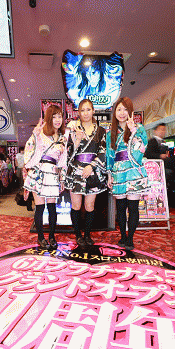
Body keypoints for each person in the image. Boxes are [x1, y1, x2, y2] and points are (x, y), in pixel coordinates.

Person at [106, 97, 150, 250]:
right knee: (120, 208)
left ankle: (130, 238)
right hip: (118, 172)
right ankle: (123, 236)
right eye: (119, 109)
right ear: (115, 112)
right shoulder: (110, 133)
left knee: (132, 207)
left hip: (133, 172)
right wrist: (109, 174)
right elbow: (109, 155)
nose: (122, 113)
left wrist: (133, 131)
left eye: (125, 109)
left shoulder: (139, 128)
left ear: (130, 111)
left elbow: (143, 148)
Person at [64, 98, 108, 247]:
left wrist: (92, 166)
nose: (85, 113)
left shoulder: (101, 131)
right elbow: (67, 154)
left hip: (92, 172)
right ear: (78, 112)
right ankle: (78, 235)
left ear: (93, 111)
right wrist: (76, 141)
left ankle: (87, 234)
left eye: (88, 109)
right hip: (75, 172)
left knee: (90, 205)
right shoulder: (73, 129)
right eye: (82, 110)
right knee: (76, 205)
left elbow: (103, 151)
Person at [23, 105, 68, 249]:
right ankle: (41, 237)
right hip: (39, 173)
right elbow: (29, 157)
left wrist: (62, 178)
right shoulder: (39, 134)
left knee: (52, 207)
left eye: (59, 116)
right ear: (48, 118)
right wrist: (36, 136)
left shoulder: (63, 138)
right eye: (54, 117)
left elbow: (63, 161)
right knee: (40, 207)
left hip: (53, 175)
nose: (57, 120)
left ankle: (52, 237)